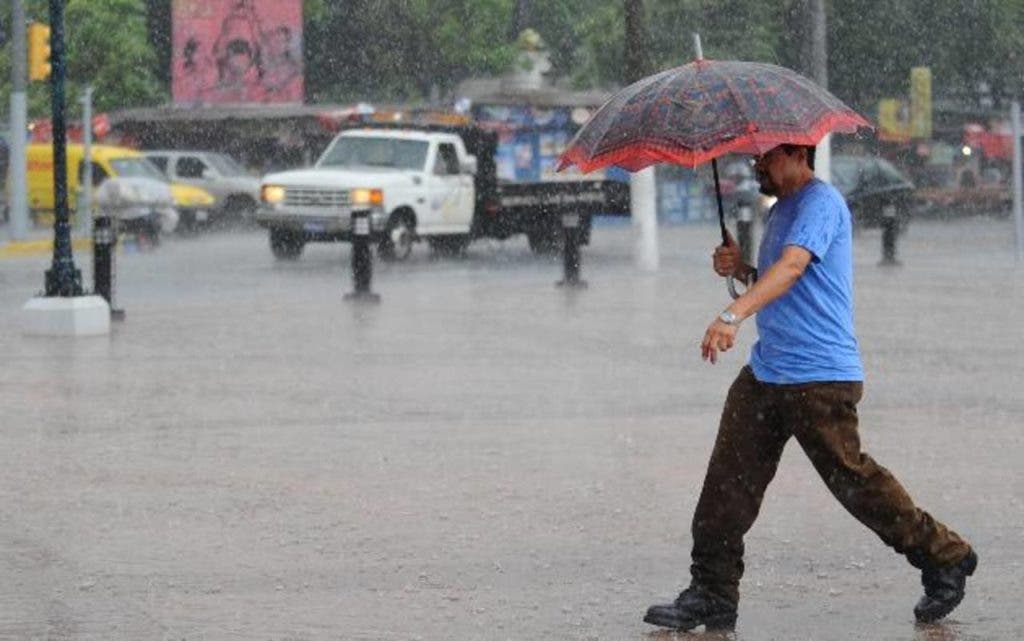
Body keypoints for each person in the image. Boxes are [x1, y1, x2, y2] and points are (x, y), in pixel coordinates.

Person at [643, 144, 977, 632]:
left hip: (818, 377)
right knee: (726, 485)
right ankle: (712, 593)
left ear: (798, 152)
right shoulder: (780, 211)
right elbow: (781, 280)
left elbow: (795, 267)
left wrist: (733, 314)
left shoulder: (821, 202)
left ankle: (945, 556)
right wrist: (740, 268)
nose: (757, 165)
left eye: (767, 157)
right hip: (767, 373)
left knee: (854, 483)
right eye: (756, 158)